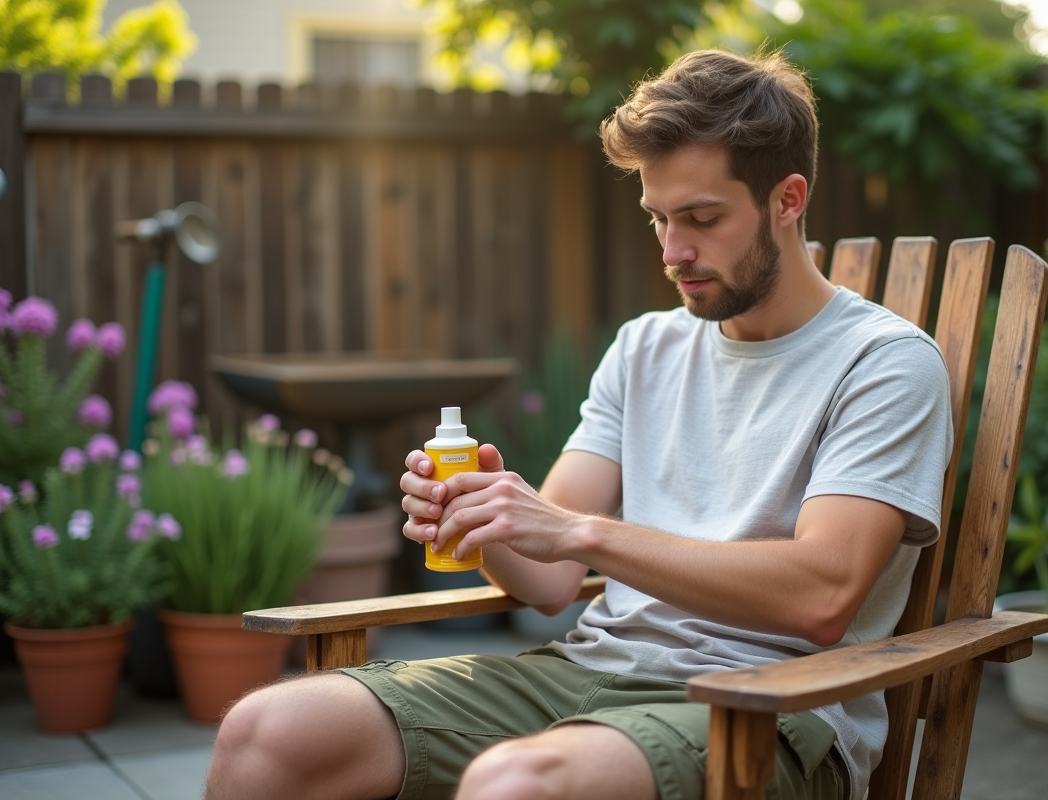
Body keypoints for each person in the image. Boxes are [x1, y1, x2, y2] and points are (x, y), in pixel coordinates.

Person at [205, 48, 952, 800]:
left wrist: (581, 533)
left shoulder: (882, 363)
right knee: (267, 733)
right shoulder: (646, 348)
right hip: (588, 675)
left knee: (516, 784)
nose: (673, 251)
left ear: (787, 200)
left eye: (700, 219)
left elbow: (823, 597)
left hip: (772, 711)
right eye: (658, 218)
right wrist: (488, 518)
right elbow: (551, 579)